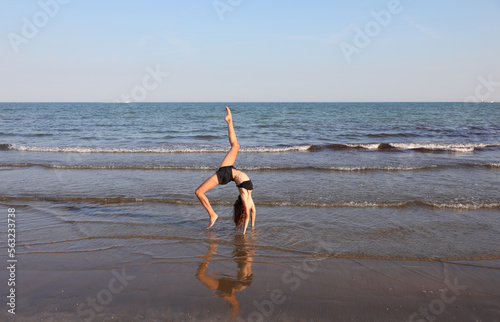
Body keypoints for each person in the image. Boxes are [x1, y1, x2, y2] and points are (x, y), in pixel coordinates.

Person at [195, 107, 256, 234]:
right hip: (230, 171)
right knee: (236, 146)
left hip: (226, 174)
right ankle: (229, 121)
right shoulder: (250, 200)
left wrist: (244, 233)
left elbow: (249, 216)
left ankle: (212, 215)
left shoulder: (246, 197)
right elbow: (252, 214)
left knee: (199, 192)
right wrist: (253, 228)